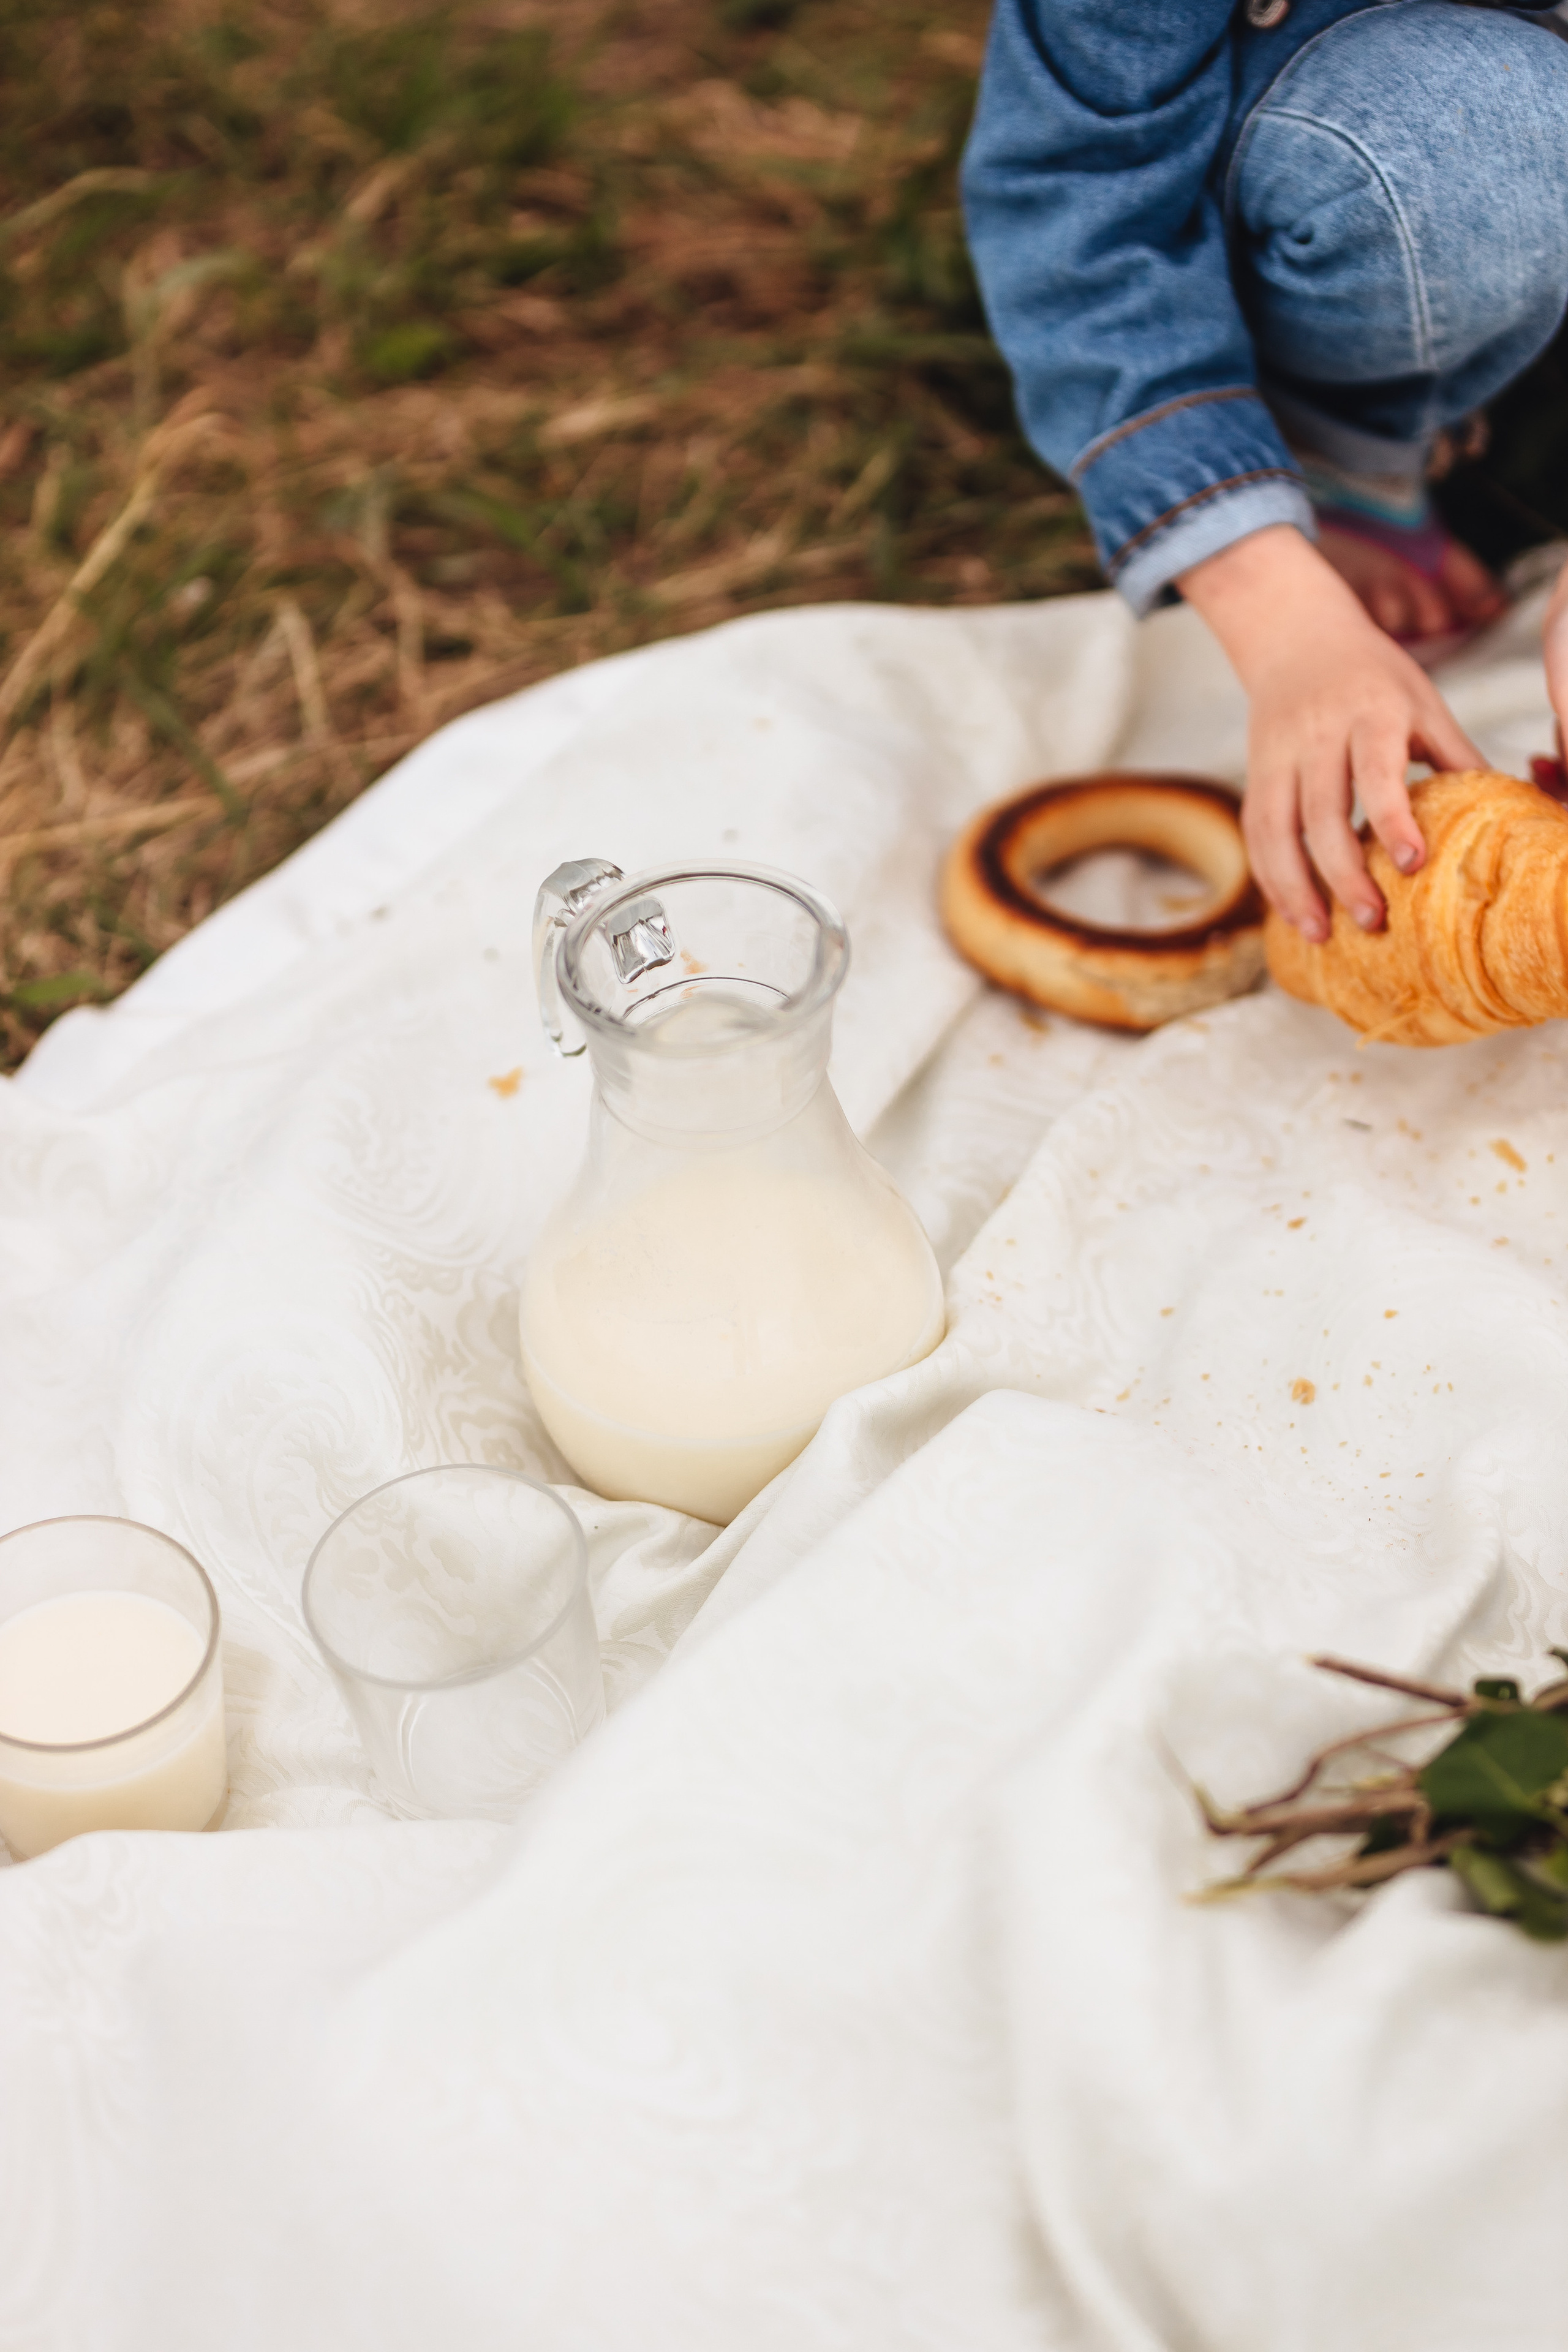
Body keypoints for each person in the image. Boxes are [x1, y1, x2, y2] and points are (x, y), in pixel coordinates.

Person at [962, 0, 1568, 940]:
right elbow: (1080, 208)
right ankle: (1324, 451)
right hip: (1327, 153)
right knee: (1483, 137)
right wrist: (1277, 613)